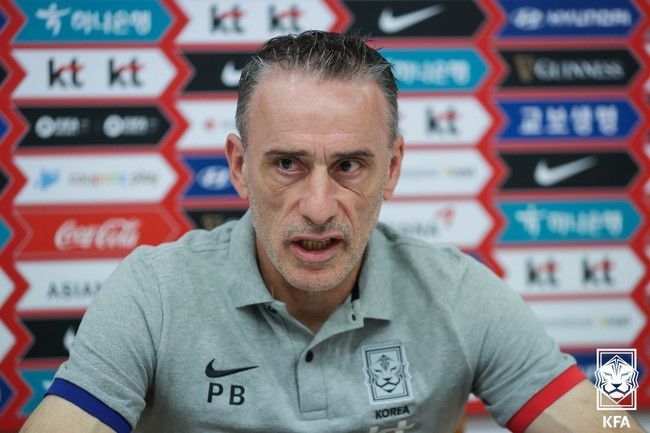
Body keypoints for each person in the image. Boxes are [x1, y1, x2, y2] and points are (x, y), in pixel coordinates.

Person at [20, 31, 645, 433]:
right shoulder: (151, 293)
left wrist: (624, 414)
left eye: (349, 166)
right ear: (239, 166)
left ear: (391, 168)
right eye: (287, 164)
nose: (319, 207)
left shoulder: (459, 293)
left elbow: (604, 422)